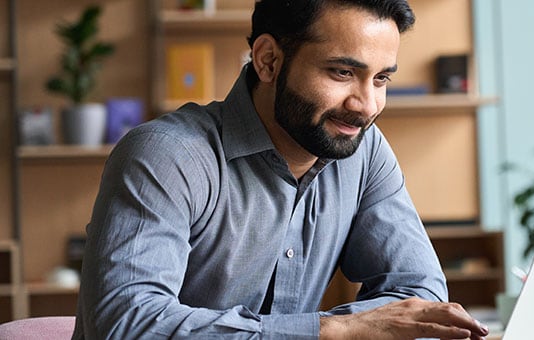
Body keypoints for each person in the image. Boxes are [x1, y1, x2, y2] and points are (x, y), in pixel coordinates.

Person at [72, 0, 489, 339]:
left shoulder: (364, 152)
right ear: (268, 60)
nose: (366, 106)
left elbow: (421, 293)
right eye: (343, 72)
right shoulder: (168, 154)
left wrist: (348, 329)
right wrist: (332, 332)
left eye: (380, 79)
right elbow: (127, 326)